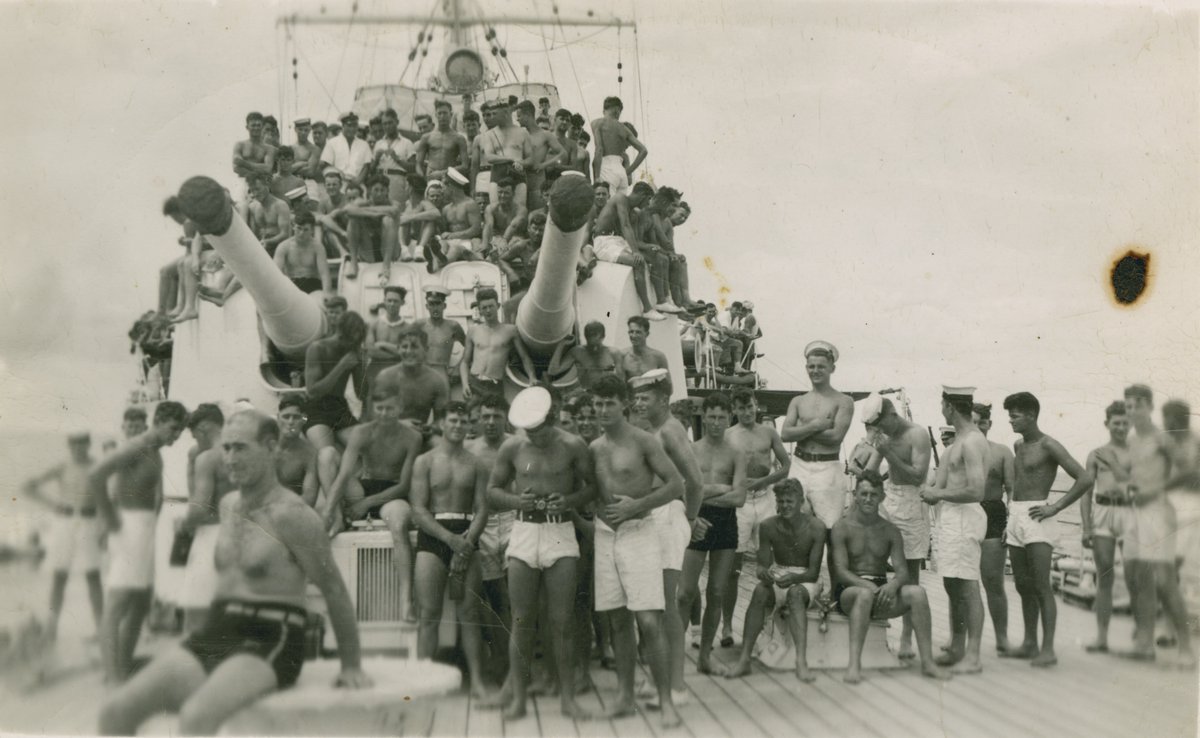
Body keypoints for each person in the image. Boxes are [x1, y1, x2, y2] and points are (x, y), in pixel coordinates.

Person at [98, 410, 371, 735]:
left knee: (196, 717)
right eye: (225, 448)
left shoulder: (294, 515)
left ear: (270, 447)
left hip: (271, 636)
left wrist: (351, 665)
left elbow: (334, 590)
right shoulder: (228, 505)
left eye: (240, 448)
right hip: (218, 630)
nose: (228, 457)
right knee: (116, 713)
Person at [482, 387, 594, 720]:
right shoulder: (513, 446)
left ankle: (567, 699)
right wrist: (517, 501)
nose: (534, 436)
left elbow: (593, 487)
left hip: (560, 531)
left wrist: (570, 501)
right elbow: (491, 492)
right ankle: (517, 699)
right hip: (525, 531)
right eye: (528, 430)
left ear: (553, 418)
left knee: (562, 622)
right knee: (521, 620)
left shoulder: (573, 445)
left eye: (539, 429)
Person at [589, 375, 684, 728]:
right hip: (604, 536)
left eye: (609, 403)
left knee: (648, 620)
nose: (602, 410)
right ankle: (625, 697)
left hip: (639, 533)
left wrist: (636, 506)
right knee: (617, 620)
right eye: (597, 404)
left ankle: (665, 701)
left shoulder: (644, 441)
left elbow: (677, 484)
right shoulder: (594, 448)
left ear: (624, 404)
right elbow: (591, 492)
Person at [90, 401, 189, 683]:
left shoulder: (155, 450)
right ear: (157, 422)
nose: (176, 435)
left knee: (142, 603)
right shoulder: (137, 445)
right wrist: (109, 520)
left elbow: (153, 495)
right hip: (127, 527)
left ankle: (123, 663)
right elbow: (96, 476)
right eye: (173, 428)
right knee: (118, 603)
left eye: (180, 430)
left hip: (143, 529)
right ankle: (113, 676)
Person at [997, 391, 1093, 667]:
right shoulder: (1018, 445)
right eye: (1009, 416)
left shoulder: (1049, 445)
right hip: (1016, 516)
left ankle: (1047, 648)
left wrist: (1056, 507)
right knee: (1022, 584)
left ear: (1031, 415)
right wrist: (1009, 519)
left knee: (1041, 585)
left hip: (1039, 515)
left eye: (1014, 416)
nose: (1011, 421)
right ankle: (1029, 643)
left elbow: (1085, 478)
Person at [630, 369, 705, 706]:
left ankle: (676, 686)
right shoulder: (657, 430)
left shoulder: (672, 431)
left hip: (668, 518)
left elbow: (696, 482)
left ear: (663, 398)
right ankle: (660, 679)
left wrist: (688, 520)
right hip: (654, 518)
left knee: (667, 606)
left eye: (644, 397)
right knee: (652, 605)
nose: (638, 402)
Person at [834, 473, 952, 684]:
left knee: (917, 593)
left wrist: (893, 585)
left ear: (882, 497)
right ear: (855, 495)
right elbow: (841, 570)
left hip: (880, 591)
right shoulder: (842, 527)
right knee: (863, 594)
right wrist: (866, 585)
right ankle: (854, 665)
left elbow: (902, 572)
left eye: (874, 495)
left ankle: (928, 662)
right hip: (850, 592)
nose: (868, 499)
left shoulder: (890, 530)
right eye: (864, 494)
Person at [410, 402, 492, 697]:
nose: (459, 426)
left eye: (464, 421)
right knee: (429, 613)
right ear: (442, 424)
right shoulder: (426, 462)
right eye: (453, 420)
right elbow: (418, 510)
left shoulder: (477, 463)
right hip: (434, 537)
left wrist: (467, 542)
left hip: (466, 535)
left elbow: (483, 508)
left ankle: (478, 683)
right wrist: (449, 539)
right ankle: (422, 683)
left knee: (469, 613)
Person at [323, 387, 423, 621]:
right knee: (326, 456)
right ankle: (338, 519)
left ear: (399, 408)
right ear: (371, 409)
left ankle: (406, 600)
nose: (384, 414)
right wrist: (328, 511)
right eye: (379, 409)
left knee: (398, 524)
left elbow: (404, 485)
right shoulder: (362, 432)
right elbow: (344, 475)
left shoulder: (412, 438)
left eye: (390, 409)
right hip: (363, 487)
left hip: (392, 493)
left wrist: (366, 504)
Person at [1117, 384, 1194, 664]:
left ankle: (1186, 648)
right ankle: (1145, 644)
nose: (1132, 411)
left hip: (1159, 512)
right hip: (1135, 513)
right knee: (1137, 578)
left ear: (1149, 407)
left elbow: (1187, 469)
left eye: (1137, 405)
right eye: (1127, 406)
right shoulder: (1132, 441)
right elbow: (1131, 473)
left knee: (1164, 580)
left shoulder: (1162, 439)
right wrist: (1127, 488)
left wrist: (1156, 490)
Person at [918, 386, 988, 674]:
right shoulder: (952, 446)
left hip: (964, 517)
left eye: (942, 404)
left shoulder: (972, 442)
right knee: (951, 583)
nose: (941, 409)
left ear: (948, 406)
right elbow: (939, 485)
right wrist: (926, 489)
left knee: (968, 585)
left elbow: (977, 491)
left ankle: (973, 655)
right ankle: (958, 646)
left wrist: (939, 495)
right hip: (948, 518)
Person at [727, 478, 824, 681]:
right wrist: (763, 573)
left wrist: (794, 578)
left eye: (790, 501)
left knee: (796, 594)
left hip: (806, 578)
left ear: (801, 501)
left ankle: (801, 662)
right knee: (760, 591)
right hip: (780, 572)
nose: (785, 506)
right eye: (780, 501)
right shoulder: (768, 526)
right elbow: (762, 565)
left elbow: (814, 573)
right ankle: (744, 658)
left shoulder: (816, 527)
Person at [858, 393, 932, 659]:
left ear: (891, 414)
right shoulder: (883, 437)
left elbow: (918, 475)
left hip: (912, 501)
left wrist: (888, 451)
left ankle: (906, 638)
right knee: (874, 564)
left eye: (882, 425)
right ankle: (876, 631)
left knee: (910, 574)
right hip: (890, 499)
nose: (880, 431)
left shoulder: (918, 435)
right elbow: (869, 472)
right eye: (875, 428)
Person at [678, 393, 747, 676]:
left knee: (716, 592)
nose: (716, 423)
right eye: (712, 417)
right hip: (695, 519)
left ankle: (705, 655)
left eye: (722, 417)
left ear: (729, 419)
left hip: (725, 523)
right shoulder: (691, 451)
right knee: (684, 593)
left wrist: (705, 492)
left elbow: (740, 498)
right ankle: (675, 658)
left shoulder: (737, 454)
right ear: (703, 417)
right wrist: (722, 489)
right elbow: (683, 492)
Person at [782, 341, 855, 587]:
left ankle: (837, 594)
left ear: (832, 367)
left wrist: (800, 430)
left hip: (828, 470)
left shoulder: (844, 401)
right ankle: (796, 590)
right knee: (794, 528)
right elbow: (785, 434)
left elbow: (836, 436)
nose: (815, 371)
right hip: (799, 465)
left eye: (821, 366)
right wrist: (815, 426)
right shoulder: (797, 401)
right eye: (811, 366)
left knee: (832, 532)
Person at [722, 389, 791, 648]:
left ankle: (767, 624)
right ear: (734, 410)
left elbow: (785, 465)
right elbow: (721, 468)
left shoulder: (769, 432)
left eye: (750, 407)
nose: (747, 412)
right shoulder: (728, 435)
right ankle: (727, 626)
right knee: (732, 568)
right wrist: (735, 485)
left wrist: (762, 481)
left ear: (756, 406)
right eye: (741, 408)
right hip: (739, 503)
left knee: (769, 564)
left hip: (765, 498)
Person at [22, 431, 104, 640]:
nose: (78, 447)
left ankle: (102, 629)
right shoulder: (62, 466)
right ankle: (52, 629)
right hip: (64, 523)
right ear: (69, 446)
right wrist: (53, 504)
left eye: (82, 443)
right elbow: (28, 487)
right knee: (60, 576)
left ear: (88, 444)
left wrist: (104, 528)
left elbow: (108, 498)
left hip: (89, 522)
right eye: (74, 444)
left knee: (93, 576)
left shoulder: (98, 465)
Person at [1080, 400, 1132, 653]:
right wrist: (1086, 527)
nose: (1121, 428)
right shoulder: (1095, 454)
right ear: (1107, 424)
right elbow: (1086, 493)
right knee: (1105, 578)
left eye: (1125, 423)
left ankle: (1143, 638)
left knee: (1137, 578)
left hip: (1130, 512)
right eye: (1116, 423)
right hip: (1102, 513)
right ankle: (1101, 637)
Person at [467, 396, 514, 677]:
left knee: (516, 593)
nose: (491, 422)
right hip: (482, 522)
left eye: (496, 416)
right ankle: (501, 659)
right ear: (478, 418)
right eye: (485, 416)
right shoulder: (470, 449)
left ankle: (520, 662)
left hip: (512, 520)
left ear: (505, 417)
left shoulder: (515, 444)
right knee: (493, 596)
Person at [176, 404, 231, 632]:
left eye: (195, 433)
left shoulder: (208, 458)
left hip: (212, 535)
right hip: (242, 535)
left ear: (206, 427)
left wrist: (184, 525)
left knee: (196, 612)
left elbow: (198, 509)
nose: (195, 439)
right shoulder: (247, 453)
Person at [969, 402, 1015, 653]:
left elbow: (1012, 490)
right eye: (972, 422)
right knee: (962, 581)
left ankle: (1002, 638)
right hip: (966, 512)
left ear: (989, 424)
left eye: (982, 422)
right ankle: (960, 640)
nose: (977, 427)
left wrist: (1012, 521)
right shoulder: (959, 450)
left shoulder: (1002, 452)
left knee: (993, 581)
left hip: (993, 513)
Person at [591, 181, 661, 319]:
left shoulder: (632, 210)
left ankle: (662, 300)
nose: (647, 205)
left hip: (617, 241)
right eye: (647, 200)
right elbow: (625, 225)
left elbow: (631, 235)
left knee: (655, 257)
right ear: (642, 195)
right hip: (604, 242)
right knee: (638, 262)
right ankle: (647, 308)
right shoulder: (620, 198)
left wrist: (646, 249)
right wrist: (635, 251)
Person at [302, 310, 366, 451]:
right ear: (341, 334)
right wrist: (341, 366)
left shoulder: (352, 350)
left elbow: (361, 394)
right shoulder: (318, 348)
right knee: (327, 452)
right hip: (316, 409)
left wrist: (361, 365)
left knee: (365, 448)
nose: (353, 344)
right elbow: (312, 391)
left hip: (339, 408)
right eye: (352, 340)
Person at [1163, 399, 1200, 635]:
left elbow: (1190, 474)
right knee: (1168, 570)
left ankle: (1174, 629)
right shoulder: (1170, 443)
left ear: (1176, 418)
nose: (1164, 423)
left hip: (1190, 509)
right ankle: (1169, 627)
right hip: (1172, 507)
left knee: (1173, 569)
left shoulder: (1194, 443)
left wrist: (1158, 486)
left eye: (1167, 418)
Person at [461, 287, 535, 401]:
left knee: (496, 416)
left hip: (494, 385)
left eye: (491, 306)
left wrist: (532, 377)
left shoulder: (510, 331)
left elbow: (525, 357)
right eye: (484, 308)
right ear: (480, 310)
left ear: (498, 306)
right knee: (472, 417)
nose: (488, 310)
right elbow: (465, 362)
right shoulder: (473, 331)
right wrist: (465, 384)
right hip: (474, 384)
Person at [374, 326, 451, 430]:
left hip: (419, 434)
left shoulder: (436, 381)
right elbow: (372, 416)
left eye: (414, 347)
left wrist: (429, 428)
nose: (409, 351)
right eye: (404, 347)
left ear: (426, 349)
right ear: (398, 349)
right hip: (387, 431)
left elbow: (441, 420)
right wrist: (399, 424)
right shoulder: (385, 377)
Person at [470, 99, 533, 208]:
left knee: (519, 208)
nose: (492, 117)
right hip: (498, 173)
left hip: (517, 174)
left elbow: (531, 158)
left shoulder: (522, 132)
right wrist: (511, 159)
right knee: (496, 208)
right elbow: (489, 157)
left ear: (505, 113)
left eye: (495, 114)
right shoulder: (490, 134)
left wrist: (521, 163)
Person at [342, 174, 399, 279]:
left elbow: (393, 211)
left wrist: (363, 211)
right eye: (376, 190)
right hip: (369, 251)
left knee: (388, 220)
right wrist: (373, 214)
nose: (379, 193)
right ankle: (353, 263)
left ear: (387, 191)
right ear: (369, 191)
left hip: (390, 253)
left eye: (382, 190)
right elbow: (347, 210)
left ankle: (386, 266)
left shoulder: (393, 203)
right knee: (353, 220)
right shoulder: (362, 202)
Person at [590, 96, 647, 197]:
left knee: (605, 206)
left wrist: (597, 177)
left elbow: (599, 150)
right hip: (621, 171)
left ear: (605, 110)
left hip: (606, 167)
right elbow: (643, 150)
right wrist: (628, 171)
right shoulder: (624, 129)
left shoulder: (597, 123)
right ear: (617, 110)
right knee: (619, 208)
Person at [362, 286, 408, 409]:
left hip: (398, 375)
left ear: (402, 303)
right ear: (384, 301)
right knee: (371, 408)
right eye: (389, 300)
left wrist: (383, 345)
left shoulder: (408, 328)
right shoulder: (373, 324)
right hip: (375, 373)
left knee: (396, 407)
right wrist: (397, 352)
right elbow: (371, 351)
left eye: (396, 301)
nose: (392, 304)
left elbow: (408, 353)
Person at [516, 99, 566, 211]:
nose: (517, 119)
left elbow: (563, 154)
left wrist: (544, 165)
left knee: (538, 216)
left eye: (519, 116)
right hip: (520, 184)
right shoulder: (520, 135)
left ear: (528, 115)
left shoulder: (545, 135)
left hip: (537, 184)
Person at [428, 168, 482, 271]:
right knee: (442, 245)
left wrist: (453, 235)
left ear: (451, 187)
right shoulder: (446, 209)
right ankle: (439, 257)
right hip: (449, 242)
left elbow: (476, 229)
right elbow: (442, 232)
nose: (442, 191)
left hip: (466, 244)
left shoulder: (470, 204)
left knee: (455, 249)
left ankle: (441, 262)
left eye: (443, 187)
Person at [548, 321, 621, 390]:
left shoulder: (613, 353)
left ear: (603, 336)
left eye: (595, 335)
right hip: (586, 393)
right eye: (589, 335)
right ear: (586, 336)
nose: (592, 339)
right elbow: (553, 371)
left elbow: (621, 381)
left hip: (606, 393)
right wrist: (561, 345)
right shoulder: (578, 352)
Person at [413, 285, 467, 379]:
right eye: (431, 304)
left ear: (444, 305)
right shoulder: (419, 325)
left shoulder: (453, 326)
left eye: (438, 303)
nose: (435, 308)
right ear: (427, 306)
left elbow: (470, 349)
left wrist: (457, 369)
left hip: (442, 375)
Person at [272, 210, 331, 295]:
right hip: (292, 284)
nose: (301, 233)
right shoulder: (284, 247)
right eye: (299, 228)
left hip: (312, 284)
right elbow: (276, 273)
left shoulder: (317, 247)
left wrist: (327, 294)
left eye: (306, 230)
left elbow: (324, 274)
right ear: (293, 226)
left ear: (312, 230)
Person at [275, 395, 318, 506]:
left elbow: (310, 496)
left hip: (291, 510)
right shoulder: (263, 446)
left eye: (296, 417)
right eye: (286, 416)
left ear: (304, 420)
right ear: (278, 418)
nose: (290, 422)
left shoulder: (309, 453)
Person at [232, 112, 276, 207]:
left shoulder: (269, 149)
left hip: (260, 183)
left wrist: (243, 163)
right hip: (242, 182)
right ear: (247, 127)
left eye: (258, 125)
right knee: (240, 207)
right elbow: (236, 168)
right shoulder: (240, 145)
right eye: (253, 125)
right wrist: (259, 169)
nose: (256, 128)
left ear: (262, 126)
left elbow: (268, 168)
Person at [416, 99, 468, 180]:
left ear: (451, 114)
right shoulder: (427, 137)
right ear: (436, 115)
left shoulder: (459, 138)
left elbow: (465, 166)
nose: (442, 116)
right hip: (431, 178)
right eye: (439, 113)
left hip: (450, 179)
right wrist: (423, 177)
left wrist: (442, 173)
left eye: (445, 113)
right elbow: (418, 164)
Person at [396, 172, 441, 264]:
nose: (405, 188)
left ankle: (419, 249)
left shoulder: (424, 203)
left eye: (406, 185)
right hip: (408, 241)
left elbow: (436, 213)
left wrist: (410, 218)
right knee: (403, 219)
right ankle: (403, 249)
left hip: (422, 242)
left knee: (429, 220)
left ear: (411, 188)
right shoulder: (407, 204)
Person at [372, 108, 415, 201]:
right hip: (380, 181)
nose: (387, 126)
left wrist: (397, 159)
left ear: (397, 122)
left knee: (396, 209)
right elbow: (371, 169)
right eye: (384, 124)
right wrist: (376, 159)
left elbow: (413, 168)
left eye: (390, 123)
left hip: (397, 181)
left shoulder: (407, 143)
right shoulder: (379, 143)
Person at [246, 174, 293, 257]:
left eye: (257, 189)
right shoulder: (253, 207)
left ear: (266, 185)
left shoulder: (280, 205)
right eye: (252, 190)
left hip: (280, 249)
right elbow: (253, 233)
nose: (255, 194)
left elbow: (285, 234)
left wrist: (268, 242)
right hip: (262, 249)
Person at [320, 111, 373, 184]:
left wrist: (358, 181)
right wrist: (339, 174)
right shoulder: (332, 143)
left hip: (358, 184)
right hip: (338, 184)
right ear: (343, 126)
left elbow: (367, 166)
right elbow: (326, 164)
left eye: (355, 125)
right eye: (349, 125)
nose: (352, 129)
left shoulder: (364, 144)